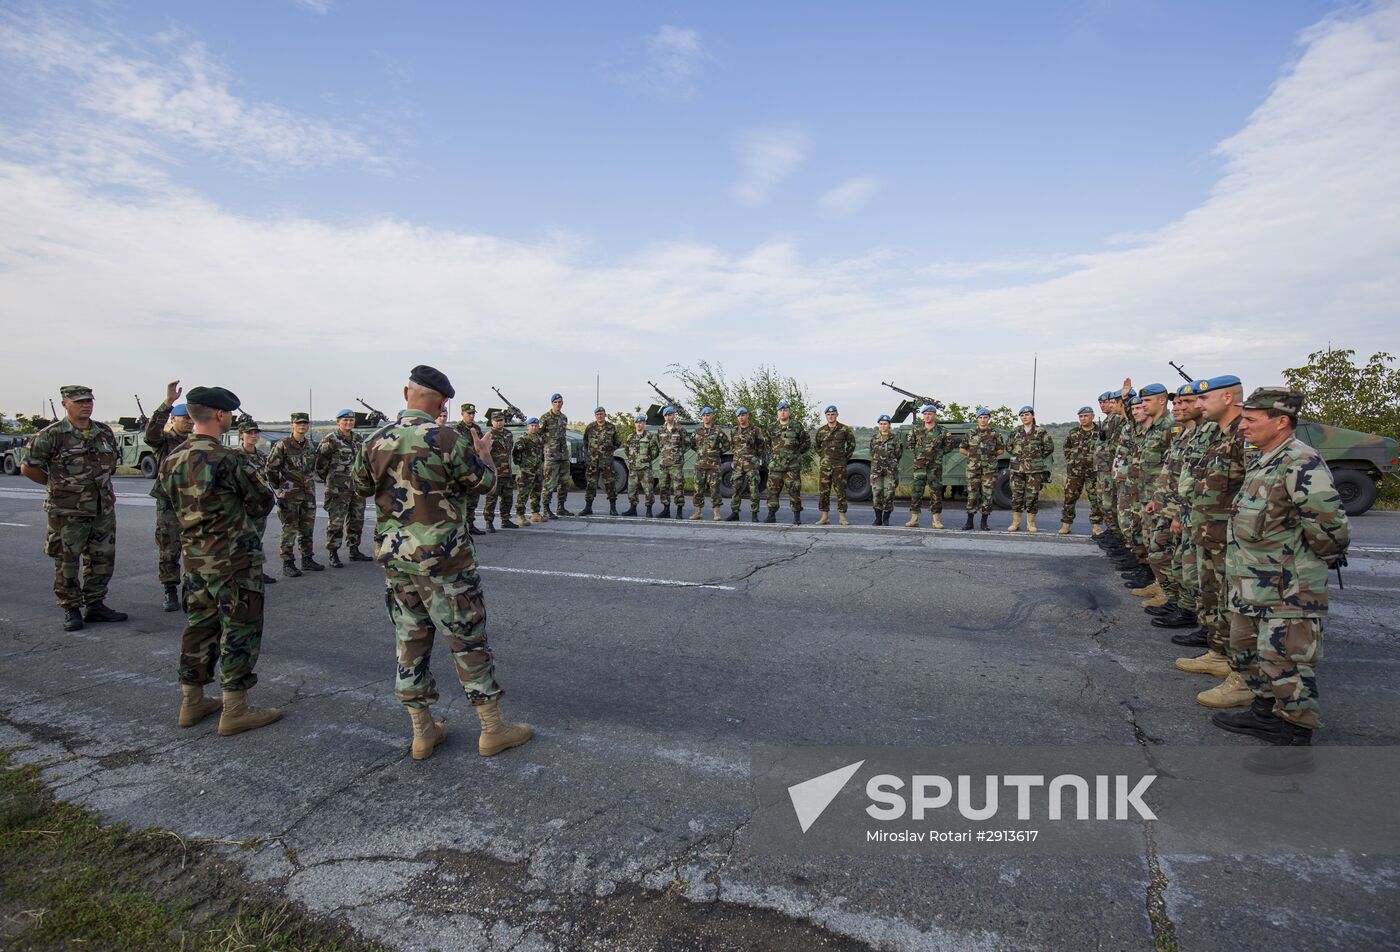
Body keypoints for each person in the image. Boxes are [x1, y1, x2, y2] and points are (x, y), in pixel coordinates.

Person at [352, 365, 531, 760]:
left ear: (406, 394)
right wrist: (486, 458)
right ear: (443, 403)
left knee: (410, 640)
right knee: (467, 639)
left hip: (397, 559)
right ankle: (492, 728)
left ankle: (422, 731)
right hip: (444, 561)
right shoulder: (447, 439)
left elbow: (361, 486)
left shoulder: (376, 439)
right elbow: (484, 485)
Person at [1213, 388, 1349, 751]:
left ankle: (1294, 735)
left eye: (1251, 420)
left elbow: (1329, 525)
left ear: (1281, 422)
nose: (1243, 426)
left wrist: (1318, 559)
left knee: (1285, 659)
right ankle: (1265, 711)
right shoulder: (1267, 458)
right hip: (1252, 583)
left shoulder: (1301, 462)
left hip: (1289, 587)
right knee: (1244, 648)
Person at [152, 386, 281, 735]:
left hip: (195, 561)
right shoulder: (229, 458)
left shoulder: (172, 459)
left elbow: (166, 508)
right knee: (239, 628)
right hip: (233, 561)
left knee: (198, 628)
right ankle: (235, 709)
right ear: (220, 415)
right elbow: (262, 502)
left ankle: (191, 702)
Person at [21, 385, 126, 631]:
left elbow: (110, 465)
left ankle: (96, 605)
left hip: (102, 509)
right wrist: (57, 486)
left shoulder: (103, 432)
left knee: (102, 559)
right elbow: (29, 467)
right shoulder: (51, 434)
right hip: (67, 511)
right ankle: (71, 609)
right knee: (67, 561)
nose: (86, 405)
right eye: (79, 401)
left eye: (89, 401)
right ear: (65, 403)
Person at [1188, 375, 1253, 710]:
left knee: (1235, 602)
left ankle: (1240, 675)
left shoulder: (1247, 433)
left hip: (1232, 536)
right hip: (1211, 531)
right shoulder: (1221, 434)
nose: (1198, 405)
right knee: (1212, 593)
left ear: (1227, 397)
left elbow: (1258, 487)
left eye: (1204, 399)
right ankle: (1218, 654)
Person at [144, 380, 194, 610]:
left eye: (192, 419)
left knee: (194, 547)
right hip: (169, 502)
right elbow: (151, 432)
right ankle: (169, 590)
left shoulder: (195, 441)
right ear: (173, 419)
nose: (189, 422)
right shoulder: (163, 441)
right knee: (169, 547)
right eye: (185, 418)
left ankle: (191, 588)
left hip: (193, 502)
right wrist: (168, 403)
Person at [266, 412, 322, 577]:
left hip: (308, 493)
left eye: (305, 423)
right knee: (289, 528)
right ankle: (288, 562)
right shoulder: (283, 444)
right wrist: (280, 486)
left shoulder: (310, 445)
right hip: (290, 495)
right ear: (292, 425)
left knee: (307, 528)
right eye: (299, 423)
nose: (302, 426)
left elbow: (313, 467)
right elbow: (271, 468)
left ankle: (307, 559)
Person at [316, 409, 368, 566]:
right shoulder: (330, 440)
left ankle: (354, 549)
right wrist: (331, 479)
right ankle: (333, 552)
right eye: (345, 420)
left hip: (357, 488)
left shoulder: (358, 439)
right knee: (336, 522)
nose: (349, 423)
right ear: (338, 421)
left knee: (357, 520)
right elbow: (320, 464)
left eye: (351, 420)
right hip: (337, 489)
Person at [237, 418, 278, 584]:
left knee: (256, 540)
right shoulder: (235, 456)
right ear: (241, 436)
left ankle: (256, 572)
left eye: (256, 433)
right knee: (241, 542)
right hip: (243, 507)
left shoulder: (261, 456)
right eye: (249, 433)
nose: (253, 436)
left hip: (260, 507)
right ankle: (241, 574)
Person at [1005, 405, 1054, 533]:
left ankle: (1030, 523)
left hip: (1034, 469)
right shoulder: (1015, 431)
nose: (1024, 417)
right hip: (1017, 469)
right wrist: (1020, 457)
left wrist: (1036, 457)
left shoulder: (1041, 431)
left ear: (1032, 415)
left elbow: (1049, 447)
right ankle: (1015, 523)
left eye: (1027, 414)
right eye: (1022, 415)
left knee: (1032, 496)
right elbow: (1009, 447)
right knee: (1017, 496)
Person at [1059, 407, 1102, 535]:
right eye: (1081, 416)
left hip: (1093, 472)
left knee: (1095, 499)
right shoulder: (1073, 432)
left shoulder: (1100, 432)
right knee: (1069, 498)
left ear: (1093, 416)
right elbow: (1066, 448)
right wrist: (1072, 461)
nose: (1083, 419)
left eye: (1086, 416)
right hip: (1075, 472)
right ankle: (1066, 524)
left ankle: (1096, 526)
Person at [765, 400, 810, 524]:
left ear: (789, 412)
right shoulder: (771, 427)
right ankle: (771, 515)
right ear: (777, 413)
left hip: (792, 466)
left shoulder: (797, 426)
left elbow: (806, 442)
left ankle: (796, 517)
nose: (783, 412)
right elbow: (768, 443)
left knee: (794, 491)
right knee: (772, 491)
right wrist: (776, 455)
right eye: (780, 410)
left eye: (785, 410)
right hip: (775, 466)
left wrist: (796, 453)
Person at [905, 404, 949, 529]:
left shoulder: (942, 431)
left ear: (934, 415)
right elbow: (910, 444)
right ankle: (914, 518)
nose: (927, 416)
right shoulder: (916, 430)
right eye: (925, 414)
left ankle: (936, 520)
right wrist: (920, 455)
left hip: (935, 467)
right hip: (919, 466)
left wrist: (938, 454)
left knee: (936, 492)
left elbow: (948, 445)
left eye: (930, 414)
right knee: (916, 491)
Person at [960, 407, 1004, 531]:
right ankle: (969, 522)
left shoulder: (994, 433)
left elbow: (1001, 449)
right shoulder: (971, 433)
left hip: (989, 470)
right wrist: (971, 455)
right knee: (972, 494)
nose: (983, 420)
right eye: (980, 418)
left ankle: (984, 522)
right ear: (977, 419)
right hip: (973, 469)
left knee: (988, 495)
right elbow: (962, 449)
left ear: (989, 418)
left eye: (985, 417)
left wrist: (991, 455)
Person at [813, 405, 856, 526]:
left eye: (833, 414)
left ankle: (842, 517)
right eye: (828, 415)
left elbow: (852, 444)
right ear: (826, 416)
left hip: (839, 466)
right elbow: (816, 445)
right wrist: (823, 456)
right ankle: (824, 517)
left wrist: (844, 458)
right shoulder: (821, 431)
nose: (830, 416)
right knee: (824, 491)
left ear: (837, 415)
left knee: (841, 491)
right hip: (825, 466)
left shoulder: (844, 429)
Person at [690, 406, 730, 521]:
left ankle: (716, 513)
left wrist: (718, 452)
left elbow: (727, 445)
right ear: (701, 417)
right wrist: (700, 452)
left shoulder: (718, 431)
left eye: (708, 415)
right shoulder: (697, 431)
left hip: (713, 466)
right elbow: (692, 444)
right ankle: (698, 512)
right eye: (704, 415)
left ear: (712, 416)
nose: (706, 417)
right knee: (698, 489)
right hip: (700, 465)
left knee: (715, 489)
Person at [727, 407, 765, 522]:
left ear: (747, 415)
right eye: (739, 416)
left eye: (743, 415)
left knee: (754, 490)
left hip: (751, 464)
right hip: (738, 464)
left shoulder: (755, 430)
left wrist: (754, 456)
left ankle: (754, 514)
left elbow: (761, 445)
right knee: (736, 489)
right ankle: (735, 513)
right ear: (737, 418)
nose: (741, 418)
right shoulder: (734, 430)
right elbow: (732, 446)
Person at [454, 404, 487, 535]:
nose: (471, 416)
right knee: (461, 498)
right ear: (462, 413)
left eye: (473, 413)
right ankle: (461, 527)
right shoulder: (457, 429)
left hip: (475, 466)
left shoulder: (477, 428)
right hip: (462, 467)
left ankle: (471, 524)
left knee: (473, 498)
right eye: (469, 413)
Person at [582, 407, 620, 516]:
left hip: (606, 462)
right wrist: (590, 454)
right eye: (597, 414)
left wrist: (608, 452)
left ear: (605, 415)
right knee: (591, 484)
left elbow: (617, 442)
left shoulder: (611, 427)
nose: (599, 416)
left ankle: (613, 508)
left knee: (610, 484)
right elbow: (585, 442)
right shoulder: (590, 427)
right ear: (595, 416)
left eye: (601, 414)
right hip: (593, 462)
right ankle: (588, 508)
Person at [482, 411, 517, 531]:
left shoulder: (508, 434)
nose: (499, 423)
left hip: (507, 471)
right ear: (492, 422)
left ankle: (505, 519)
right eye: (496, 421)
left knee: (508, 497)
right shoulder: (489, 435)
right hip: (494, 472)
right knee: (492, 498)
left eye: (501, 420)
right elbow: (484, 453)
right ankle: (489, 521)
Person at [655, 406, 691, 519]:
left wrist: (678, 453)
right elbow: (659, 444)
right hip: (664, 464)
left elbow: (687, 443)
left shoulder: (680, 428)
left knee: (678, 487)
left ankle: (679, 511)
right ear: (664, 417)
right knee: (663, 487)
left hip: (676, 464)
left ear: (673, 415)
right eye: (666, 415)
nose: (668, 417)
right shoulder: (661, 429)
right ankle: (666, 510)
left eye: (670, 415)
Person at [539, 393, 572, 517]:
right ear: (552, 403)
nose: (558, 404)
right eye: (556, 402)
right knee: (549, 483)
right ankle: (546, 508)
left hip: (563, 455)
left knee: (564, 483)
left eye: (560, 402)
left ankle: (561, 507)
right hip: (551, 456)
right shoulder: (545, 418)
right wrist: (548, 445)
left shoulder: (564, 418)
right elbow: (539, 434)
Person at [620, 413, 659, 517]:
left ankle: (649, 510)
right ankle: (633, 509)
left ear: (644, 423)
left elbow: (655, 451)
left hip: (645, 469)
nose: (639, 424)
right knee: (632, 490)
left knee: (648, 490)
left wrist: (647, 459)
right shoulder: (630, 437)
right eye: (637, 422)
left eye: (641, 422)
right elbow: (626, 450)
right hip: (633, 469)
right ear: (635, 424)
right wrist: (633, 460)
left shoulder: (650, 436)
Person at [868, 414, 904, 525]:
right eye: (881, 424)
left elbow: (898, 453)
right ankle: (878, 518)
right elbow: (871, 452)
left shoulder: (895, 439)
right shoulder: (874, 438)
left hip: (890, 471)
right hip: (876, 471)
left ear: (889, 425)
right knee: (877, 493)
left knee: (889, 494)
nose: (883, 426)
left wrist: (890, 463)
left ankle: (886, 518)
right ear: (879, 425)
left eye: (885, 424)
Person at [513, 418, 545, 524]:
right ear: (528, 426)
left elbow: (541, 454)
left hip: (537, 470)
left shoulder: (540, 439)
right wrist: (522, 465)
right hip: (526, 471)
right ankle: (520, 515)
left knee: (536, 492)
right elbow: (516, 453)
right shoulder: (523, 439)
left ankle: (535, 513)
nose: (534, 427)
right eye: (532, 425)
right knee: (523, 494)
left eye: (536, 425)